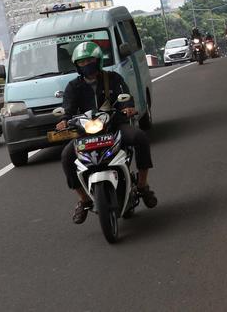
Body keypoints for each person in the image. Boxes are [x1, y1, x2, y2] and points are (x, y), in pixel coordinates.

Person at [56, 41, 157, 224]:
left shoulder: (113, 78)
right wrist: (64, 121)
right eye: (82, 62)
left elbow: (124, 97)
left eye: (89, 61)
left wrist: (128, 108)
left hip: (114, 126)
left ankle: (142, 186)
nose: (86, 65)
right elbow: (68, 110)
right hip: (86, 133)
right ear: (76, 65)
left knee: (140, 137)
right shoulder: (73, 86)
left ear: (98, 60)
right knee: (66, 156)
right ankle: (83, 199)